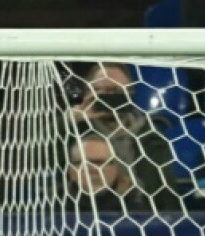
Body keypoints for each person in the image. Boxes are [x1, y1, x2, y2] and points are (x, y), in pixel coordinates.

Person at [65, 61, 180, 211]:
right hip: (85, 213)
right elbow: (37, 162)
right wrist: (68, 122)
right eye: (100, 91)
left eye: (115, 91)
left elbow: (165, 191)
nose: (108, 97)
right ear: (87, 93)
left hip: (142, 215)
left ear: (130, 94)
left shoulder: (149, 134)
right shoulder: (72, 131)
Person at [66, 129, 151, 213]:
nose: (93, 170)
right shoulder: (57, 207)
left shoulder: (138, 211)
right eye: (84, 163)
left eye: (100, 163)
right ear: (71, 171)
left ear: (116, 168)